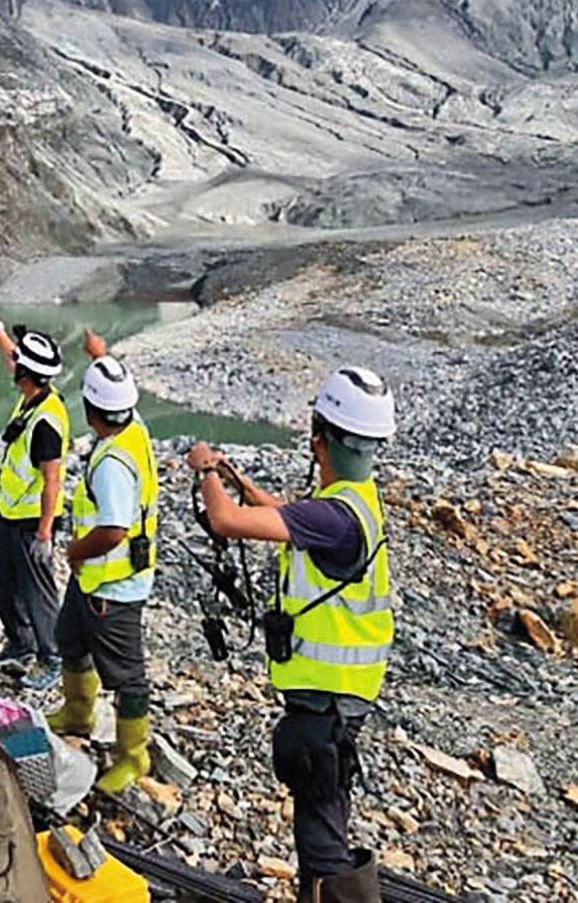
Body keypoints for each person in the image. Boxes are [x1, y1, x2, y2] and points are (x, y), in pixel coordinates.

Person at [187, 366, 396, 903]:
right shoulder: (354, 502)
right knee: (326, 808)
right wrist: (244, 484)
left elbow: (225, 522)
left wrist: (206, 469)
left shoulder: (334, 516)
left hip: (327, 699)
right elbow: (292, 516)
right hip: (340, 696)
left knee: (319, 833)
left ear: (319, 438)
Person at [45, 330, 159, 796]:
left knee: (127, 676)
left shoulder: (112, 463)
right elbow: (116, 394)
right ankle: (78, 714)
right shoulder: (134, 428)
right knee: (69, 638)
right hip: (93, 582)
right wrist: (100, 356)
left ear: (90, 412)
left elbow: (113, 529)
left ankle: (133, 756)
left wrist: (74, 551)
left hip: (113, 586)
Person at [0, 313, 69, 691]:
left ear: (27, 376)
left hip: (32, 521)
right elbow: (13, 358)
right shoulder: (35, 396)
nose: (13, 366)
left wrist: (45, 533)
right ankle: (20, 644)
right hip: (10, 514)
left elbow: (52, 480)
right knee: (6, 582)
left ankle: (53, 657)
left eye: (19, 365)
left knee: (37, 592)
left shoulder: (46, 421)